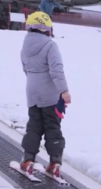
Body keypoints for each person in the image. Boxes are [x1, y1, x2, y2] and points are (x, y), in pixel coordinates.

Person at [18, 11, 71, 179]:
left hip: (32, 92)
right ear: (46, 28)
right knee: (52, 127)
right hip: (49, 94)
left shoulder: (25, 46)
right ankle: (54, 162)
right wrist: (64, 91)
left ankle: (28, 159)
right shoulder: (50, 46)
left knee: (34, 126)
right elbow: (56, 70)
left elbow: (25, 68)